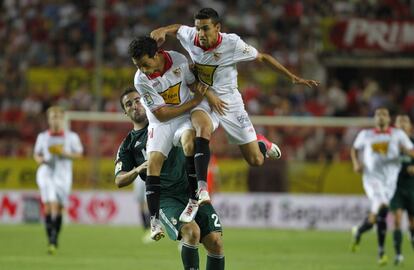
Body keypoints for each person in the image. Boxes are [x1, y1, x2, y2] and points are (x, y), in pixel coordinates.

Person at [151, 7, 318, 171]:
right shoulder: (191, 36)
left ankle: (260, 142)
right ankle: (200, 190)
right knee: (198, 135)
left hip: (229, 101)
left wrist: (292, 78)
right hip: (203, 97)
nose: (201, 33)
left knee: (256, 160)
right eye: (198, 28)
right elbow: (178, 29)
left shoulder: (232, 43)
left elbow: (262, 57)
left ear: (217, 28)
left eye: (205, 28)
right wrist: (163, 30)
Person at [115, 88, 225, 270]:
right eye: (129, 104)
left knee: (216, 242)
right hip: (165, 198)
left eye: (138, 100)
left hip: (190, 190)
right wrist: (139, 168)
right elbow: (119, 180)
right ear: (125, 112)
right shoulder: (127, 146)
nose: (135, 105)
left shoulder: (167, 122)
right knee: (191, 232)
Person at [128, 36, 222, 241]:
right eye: (138, 66)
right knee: (153, 164)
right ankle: (154, 222)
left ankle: (193, 198)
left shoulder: (178, 60)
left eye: (145, 64)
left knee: (190, 141)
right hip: (161, 122)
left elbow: (193, 83)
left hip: (183, 119)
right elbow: (161, 115)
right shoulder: (140, 79)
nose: (143, 70)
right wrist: (194, 102)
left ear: (157, 55)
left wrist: (205, 94)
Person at [350, 108, 414, 265]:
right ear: (374, 118)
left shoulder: (398, 135)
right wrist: (356, 163)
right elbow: (354, 148)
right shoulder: (366, 135)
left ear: (389, 118)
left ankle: (359, 230)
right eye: (378, 114)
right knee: (384, 207)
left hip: (390, 183)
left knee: (375, 217)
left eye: (384, 114)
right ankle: (382, 252)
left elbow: (411, 150)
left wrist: (408, 153)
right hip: (372, 179)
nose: (380, 117)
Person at [33, 106, 83, 254]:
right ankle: (52, 240)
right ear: (48, 120)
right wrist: (40, 160)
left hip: (63, 175)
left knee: (59, 207)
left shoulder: (71, 137)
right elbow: (36, 155)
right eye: (53, 117)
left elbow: (79, 154)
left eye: (58, 117)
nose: (55, 120)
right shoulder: (42, 137)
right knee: (50, 205)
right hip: (46, 173)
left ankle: (54, 238)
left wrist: (64, 153)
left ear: (62, 119)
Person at [390, 114, 414, 265]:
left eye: (405, 124)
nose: (402, 126)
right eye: (400, 124)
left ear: (410, 127)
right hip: (396, 189)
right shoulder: (391, 144)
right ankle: (398, 254)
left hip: (412, 188)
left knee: (413, 223)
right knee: (397, 221)